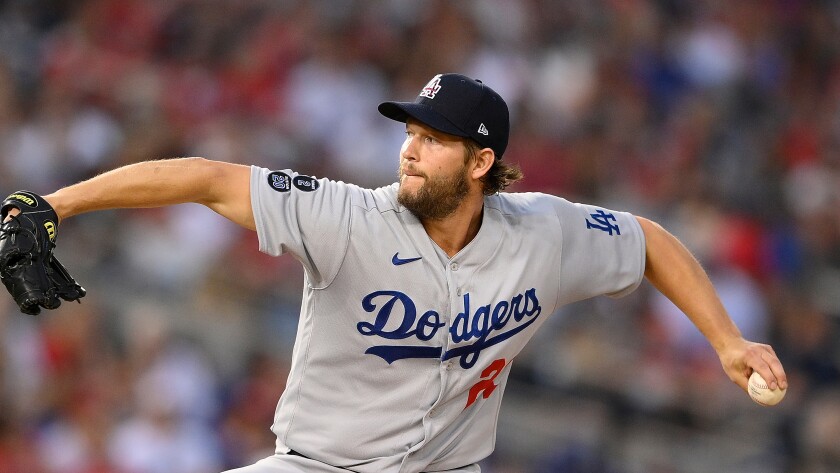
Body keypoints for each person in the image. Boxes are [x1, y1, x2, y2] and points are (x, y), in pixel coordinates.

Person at [5, 73, 787, 473]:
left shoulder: (541, 234)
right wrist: (61, 205)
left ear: (481, 162)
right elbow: (206, 177)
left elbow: (646, 238)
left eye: (435, 138)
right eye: (411, 130)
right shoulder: (346, 215)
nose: (411, 148)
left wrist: (724, 339)